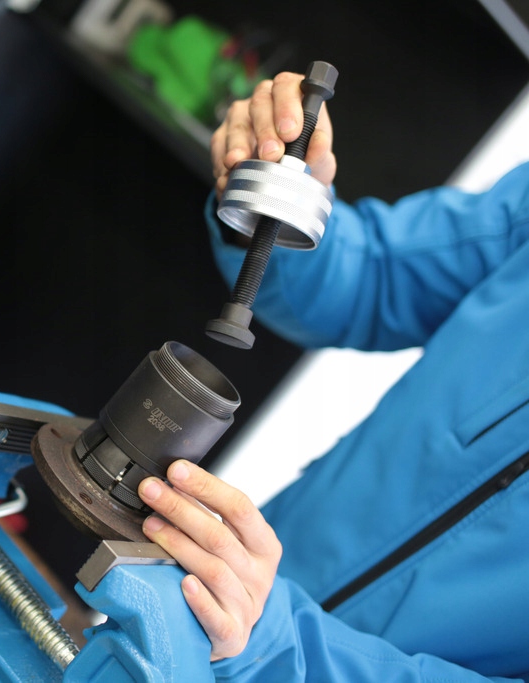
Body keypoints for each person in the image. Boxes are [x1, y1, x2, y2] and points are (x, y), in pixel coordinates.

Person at [135, 71, 529, 681]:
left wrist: (279, 648)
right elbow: (379, 277)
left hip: (254, 632)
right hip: (205, 606)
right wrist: (282, 195)